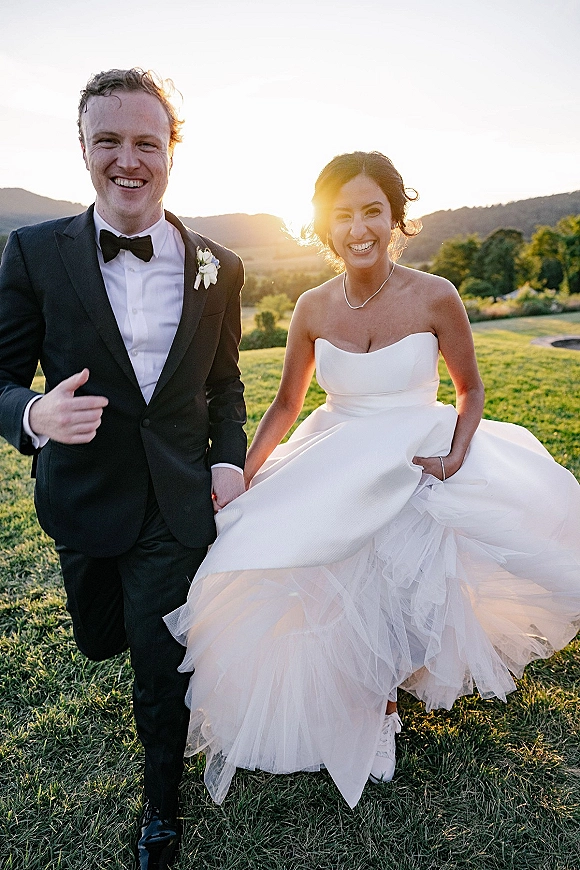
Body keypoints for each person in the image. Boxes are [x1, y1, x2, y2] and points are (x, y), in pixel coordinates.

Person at [165, 150, 580, 810]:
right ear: (324, 227)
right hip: (334, 449)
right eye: (342, 215)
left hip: (417, 449)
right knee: (298, 555)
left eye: (372, 211)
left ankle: (382, 701)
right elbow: (286, 404)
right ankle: (368, 700)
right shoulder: (310, 306)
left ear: (395, 218)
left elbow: (471, 391)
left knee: (392, 564)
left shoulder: (436, 295)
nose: (358, 227)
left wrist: (456, 456)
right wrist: (246, 474)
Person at [0, 68, 246, 868]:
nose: (127, 159)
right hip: (81, 496)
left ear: (172, 151)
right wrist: (33, 414)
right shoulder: (34, 252)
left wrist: (230, 458)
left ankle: (161, 806)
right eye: (109, 140)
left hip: (175, 503)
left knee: (158, 662)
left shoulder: (219, 265)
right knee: (99, 635)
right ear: (83, 149)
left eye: (147, 141)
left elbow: (224, 382)